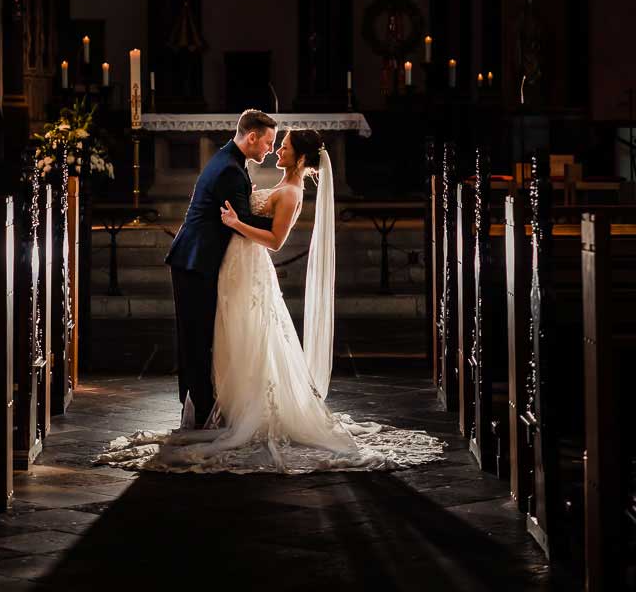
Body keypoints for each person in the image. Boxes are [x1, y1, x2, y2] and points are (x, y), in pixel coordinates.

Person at [94, 123, 443, 474]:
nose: (278, 151)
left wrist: (235, 223)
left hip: (249, 266)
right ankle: (229, 406)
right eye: (276, 143)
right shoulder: (276, 181)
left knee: (250, 334)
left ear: (300, 156)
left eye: (285, 147)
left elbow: (275, 241)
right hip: (238, 265)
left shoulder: (291, 192)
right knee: (235, 334)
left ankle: (245, 409)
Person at [163, 108, 277, 427]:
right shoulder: (230, 169)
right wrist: (282, 217)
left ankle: (196, 407)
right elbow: (241, 223)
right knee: (197, 337)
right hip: (195, 260)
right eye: (267, 142)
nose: (269, 149)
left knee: (197, 335)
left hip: (195, 258)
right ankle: (200, 410)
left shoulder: (229, 160)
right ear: (251, 137)